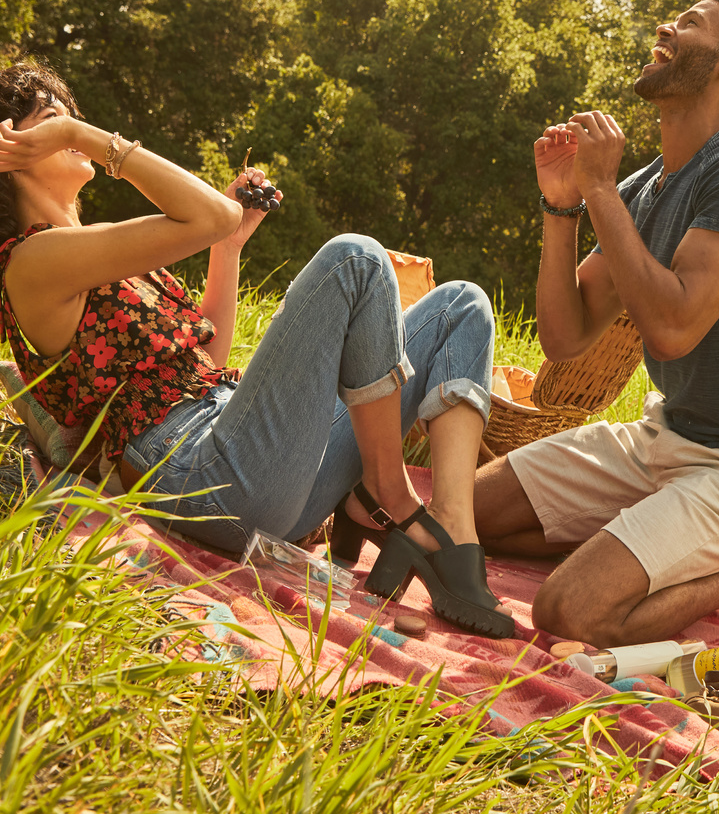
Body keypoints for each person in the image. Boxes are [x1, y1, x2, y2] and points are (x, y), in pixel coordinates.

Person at [0, 60, 512, 638]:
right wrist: (86, 136)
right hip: (194, 473)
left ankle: (449, 523)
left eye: (71, 118)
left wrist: (230, 246)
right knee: (355, 260)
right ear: (8, 149)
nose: (72, 125)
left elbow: (207, 362)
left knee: (461, 307)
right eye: (52, 119)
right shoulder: (29, 262)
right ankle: (392, 498)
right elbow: (207, 214)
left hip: (244, 453)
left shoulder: (95, 253)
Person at [473, 0, 719, 648]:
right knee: (459, 515)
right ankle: (653, 541)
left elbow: (673, 329)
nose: (668, 29)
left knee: (570, 613)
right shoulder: (644, 190)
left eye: (693, 24)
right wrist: (562, 207)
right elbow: (563, 340)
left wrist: (597, 187)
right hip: (663, 441)